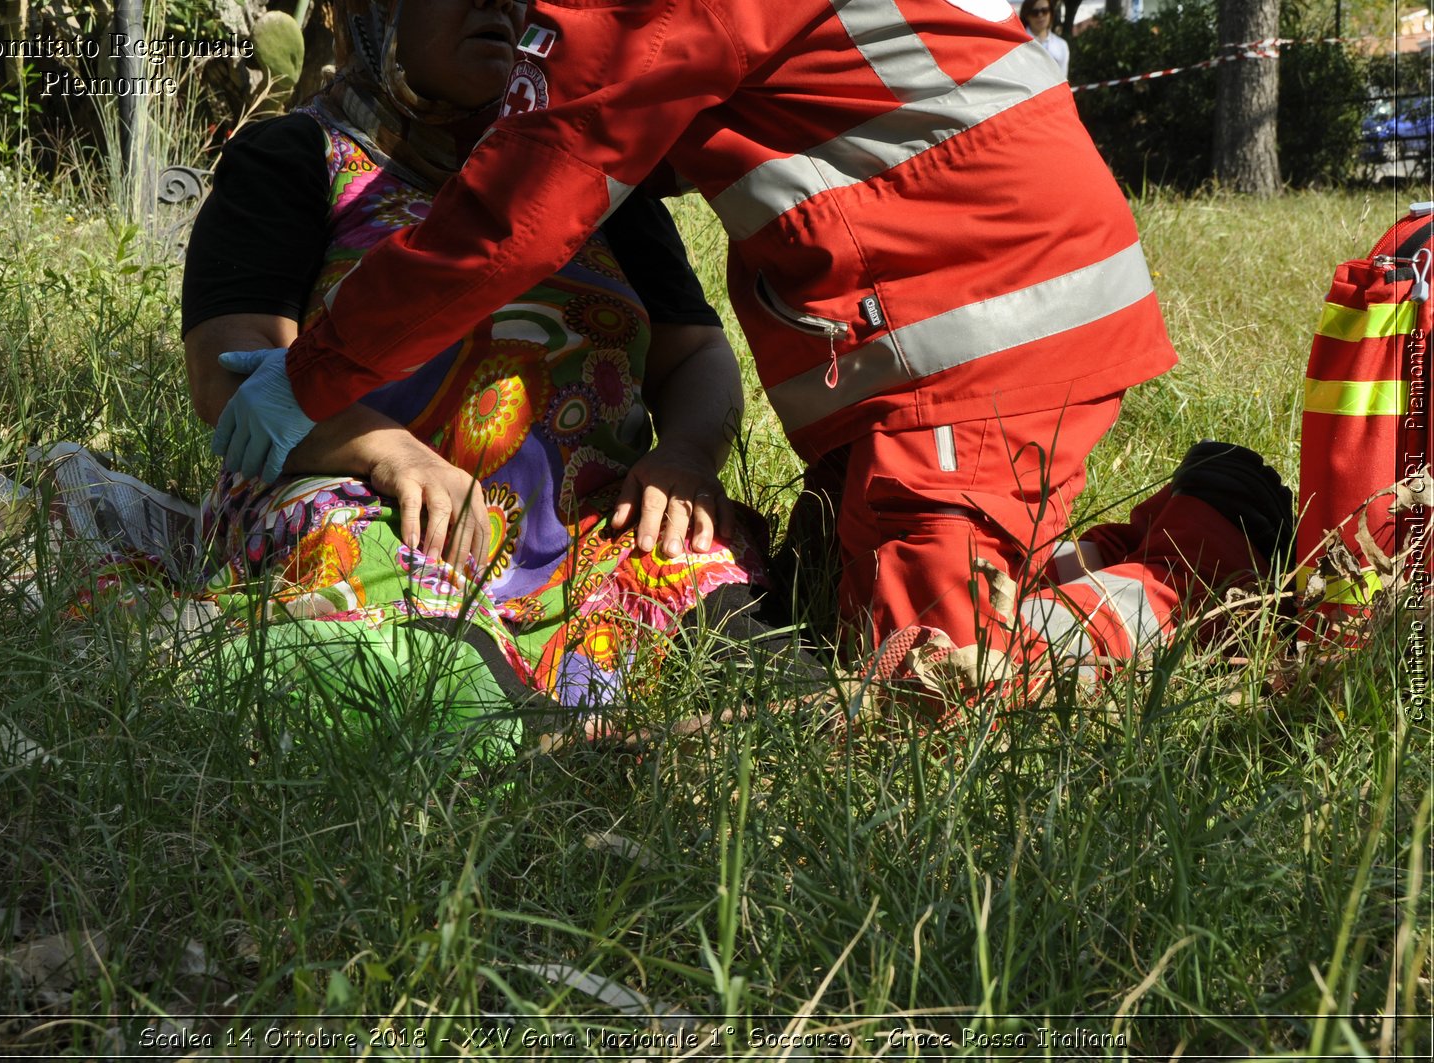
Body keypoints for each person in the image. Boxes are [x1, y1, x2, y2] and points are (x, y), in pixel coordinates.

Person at [212, 0, 1290, 714]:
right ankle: (1174, 539)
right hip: (943, 324)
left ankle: (1197, 565)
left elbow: (534, 215)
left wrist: (682, 456)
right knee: (838, 612)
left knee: (916, 691)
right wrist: (362, 435)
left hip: (971, 328)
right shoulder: (298, 158)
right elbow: (229, 348)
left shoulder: (588, 109)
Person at [184, 0, 771, 720]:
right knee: (358, 549)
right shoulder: (296, 158)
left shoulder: (587, 173)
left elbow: (698, 354)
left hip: (580, 531)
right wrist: (388, 451)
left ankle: (791, 719)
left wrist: (683, 453)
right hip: (374, 512)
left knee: (688, 561)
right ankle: (520, 740)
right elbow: (230, 372)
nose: (500, 2)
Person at [1021, 0, 1069, 80]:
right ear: (1026, 15)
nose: (1040, 15)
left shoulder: (1061, 45)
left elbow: (1063, 79)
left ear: (1051, 13)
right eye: (1034, 12)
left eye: (1045, 11)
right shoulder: (1017, 43)